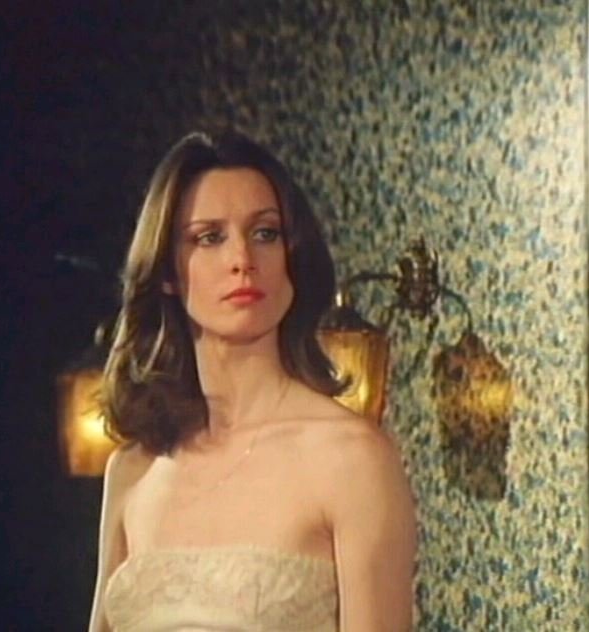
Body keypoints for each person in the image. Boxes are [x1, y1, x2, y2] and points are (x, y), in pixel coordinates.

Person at [88, 130, 417, 631]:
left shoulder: (351, 458)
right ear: (168, 272)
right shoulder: (135, 469)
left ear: (292, 257)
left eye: (265, 233)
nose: (243, 259)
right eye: (209, 237)